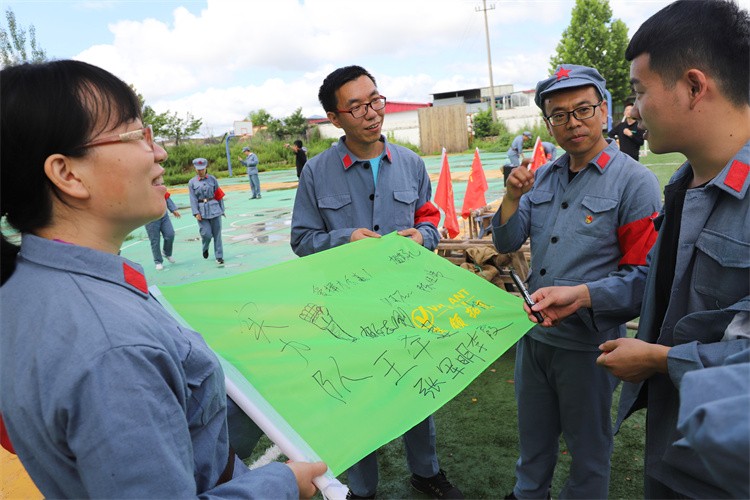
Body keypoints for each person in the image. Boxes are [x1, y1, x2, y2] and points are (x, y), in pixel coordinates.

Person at [0, 59, 326, 498]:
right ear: (68, 174)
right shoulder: (112, 348)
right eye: (137, 135)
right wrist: (281, 484)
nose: (160, 154)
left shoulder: (28, 286)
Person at [592, 1, 750, 497]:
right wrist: (586, 296)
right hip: (676, 446)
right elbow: (674, 283)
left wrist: (662, 360)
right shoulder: (686, 184)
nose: (634, 110)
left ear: (694, 86)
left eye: (639, 91)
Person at [291, 65, 462, 499]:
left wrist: (422, 237)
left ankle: (426, 472)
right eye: (356, 107)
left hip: (407, 305)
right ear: (334, 118)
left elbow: (430, 220)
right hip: (347, 313)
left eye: (375, 101)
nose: (371, 113)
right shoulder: (315, 173)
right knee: (357, 399)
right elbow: (302, 239)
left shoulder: (410, 163)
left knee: (417, 389)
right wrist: (344, 239)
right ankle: (361, 489)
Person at [490, 64, 661, 499]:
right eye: (559, 115)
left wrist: (584, 296)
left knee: (588, 453)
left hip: (590, 349)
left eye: (583, 109)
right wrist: (511, 197)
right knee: (533, 444)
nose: (573, 123)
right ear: (548, 124)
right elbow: (507, 241)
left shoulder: (634, 182)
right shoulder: (545, 176)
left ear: (603, 110)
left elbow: (643, 279)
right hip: (534, 340)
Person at [189, 157, 226, 265]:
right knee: (206, 234)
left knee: (217, 234)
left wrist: (222, 209)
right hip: (202, 212)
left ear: (206, 168)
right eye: (198, 169)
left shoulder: (212, 179)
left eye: (202, 169)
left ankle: (219, 256)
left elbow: (218, 195)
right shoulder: (192, 182)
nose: (200, 171)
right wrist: (196, 212)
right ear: (195, 169)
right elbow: (192, 198)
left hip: (215, 209)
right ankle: (205, 247)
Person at [145, 192, 181, 270]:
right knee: (155, 240)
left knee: (170, 234)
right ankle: (158, 261)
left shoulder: (158, 186)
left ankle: (166, 253)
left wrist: (173, 210)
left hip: (163, 216)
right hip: (150, 218)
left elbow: (165, 196)